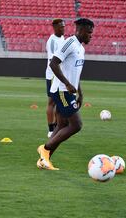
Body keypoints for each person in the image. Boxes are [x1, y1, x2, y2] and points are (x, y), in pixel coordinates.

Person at [37, 18, 94, 170]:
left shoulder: (81, 48)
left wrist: (80, 93)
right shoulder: (69, 43)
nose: (91, 36)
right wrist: (67, 84)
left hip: (68, 92)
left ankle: (44, 159)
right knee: (76, 125)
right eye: (89, 33)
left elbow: (76, 72)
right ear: (80, 30)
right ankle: (45, 148)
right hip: (62, 91)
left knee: (61, 124)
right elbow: (53, 63)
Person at [45, 19, 65, 138]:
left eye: (64, 27)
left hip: (60, 74)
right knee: (51, 102)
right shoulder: (52, 41)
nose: (63, 29)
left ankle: (58, 126)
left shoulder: (62, 38)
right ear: (55, 27)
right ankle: (51, 129)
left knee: (58, 102)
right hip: (53, 75)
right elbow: (54, 61)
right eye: (61, 27)